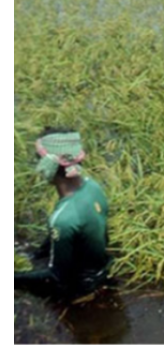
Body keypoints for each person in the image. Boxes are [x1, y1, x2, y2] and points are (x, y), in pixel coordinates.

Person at [14, 129, 113, 301]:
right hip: (102, 266)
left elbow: (56, 276)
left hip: (81, 285)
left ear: (50, 165)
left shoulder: (63, 219)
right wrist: (37, 254)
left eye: (38, 159)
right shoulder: (93, 186)